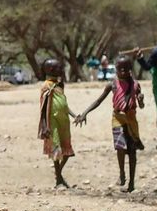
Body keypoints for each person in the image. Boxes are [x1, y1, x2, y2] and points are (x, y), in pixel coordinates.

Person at [76, 55, 145, 193]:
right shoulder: (112, 84)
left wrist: (141, 100)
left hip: (131, 118)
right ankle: (122, 173)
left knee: (132, 151)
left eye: (126, 69)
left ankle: (131, 182)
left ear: (131, 69)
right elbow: (98, 101)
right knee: (119, 146)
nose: (123, 71)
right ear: (116, 69)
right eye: (120, 69)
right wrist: (85, 113)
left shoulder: (136, 85)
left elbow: (141, 105)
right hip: (117, 117)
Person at [37, 59, 77, 188]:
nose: (62, 70)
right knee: (56, 148)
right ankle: (59, 178)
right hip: (51, 122)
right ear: (51, 70)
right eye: (59, 68)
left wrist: (74, 115)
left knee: (67, 151)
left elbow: (64, 104)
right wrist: (44, 125)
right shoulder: (45, 86)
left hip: (64, 121)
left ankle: (58, 174)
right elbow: (43, 108)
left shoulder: (60, 85)